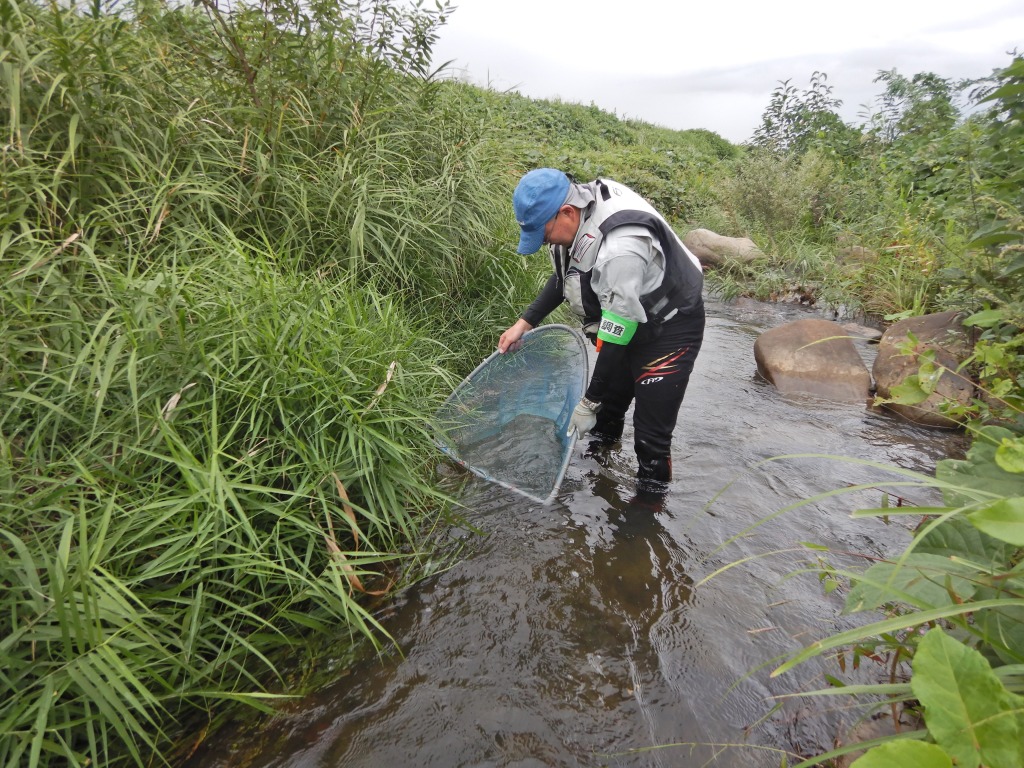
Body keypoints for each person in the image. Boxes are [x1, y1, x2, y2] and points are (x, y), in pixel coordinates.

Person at [498, 168, 705, 494]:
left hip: (669, 326)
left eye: (545, 234)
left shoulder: (619, 249)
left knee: (650, 439)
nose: (545, 242)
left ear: (566, 212)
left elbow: (618, 328)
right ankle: (598, 479)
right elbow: (566, 274)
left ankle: (644, 519)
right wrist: (523, 324)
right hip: (625, 316)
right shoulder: (576, 212)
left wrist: (588, 401)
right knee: (608, 413)